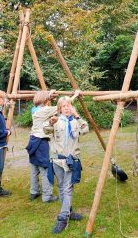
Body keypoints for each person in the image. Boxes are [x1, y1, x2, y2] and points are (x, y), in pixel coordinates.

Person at [43, 96, 89, 234]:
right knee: (62, 187)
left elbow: (85, 129)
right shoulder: (55, 121)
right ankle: (69, 211)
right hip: (57, 160)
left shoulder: (76, 122)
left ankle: (62, 218)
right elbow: (45, 129)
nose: (67, 108)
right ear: (60, 109)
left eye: (69, 105)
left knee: (67, 188)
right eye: (64, 106)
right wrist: (50, 123)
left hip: (71, 161)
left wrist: (77, 115)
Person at [26, 90, 79, 203]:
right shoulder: (46, 110)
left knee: (34, 167)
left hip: (33, 140)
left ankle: (34, 191)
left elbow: (44, 101)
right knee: (45, 168)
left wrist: (48, 95)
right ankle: (47, 196)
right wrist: (75, 95)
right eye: (48, 99)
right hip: (41, 141)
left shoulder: (35, 109)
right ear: (46, 101)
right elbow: (64, 105)